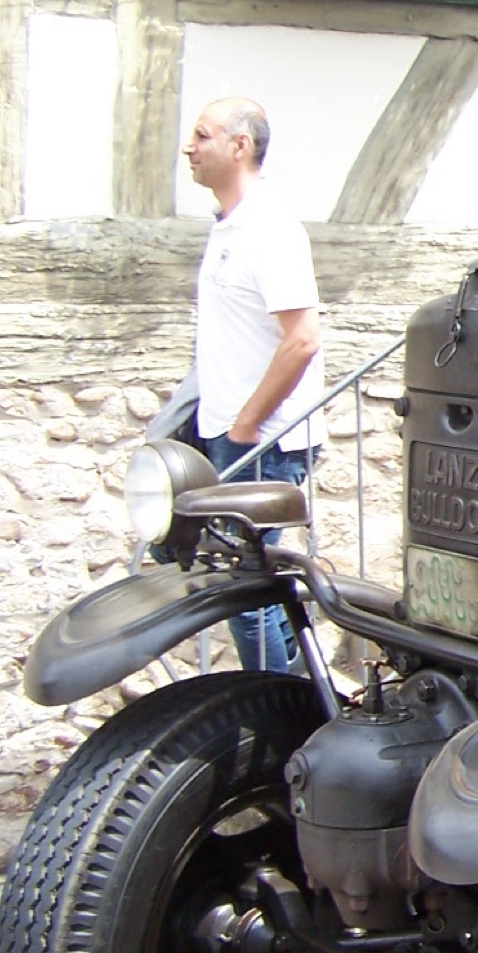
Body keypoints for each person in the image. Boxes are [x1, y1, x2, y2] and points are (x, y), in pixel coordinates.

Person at [183, 96, 325, 673]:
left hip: (263, 443)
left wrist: (245, 427)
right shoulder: (231, 226)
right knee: (251, 588)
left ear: (240, 146)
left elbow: (303, 338)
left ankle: (274, 707)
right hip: (231, 435)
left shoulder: (268, 227)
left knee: (245, 595)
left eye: (202, 135)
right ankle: (302, 694)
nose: (189, 147)